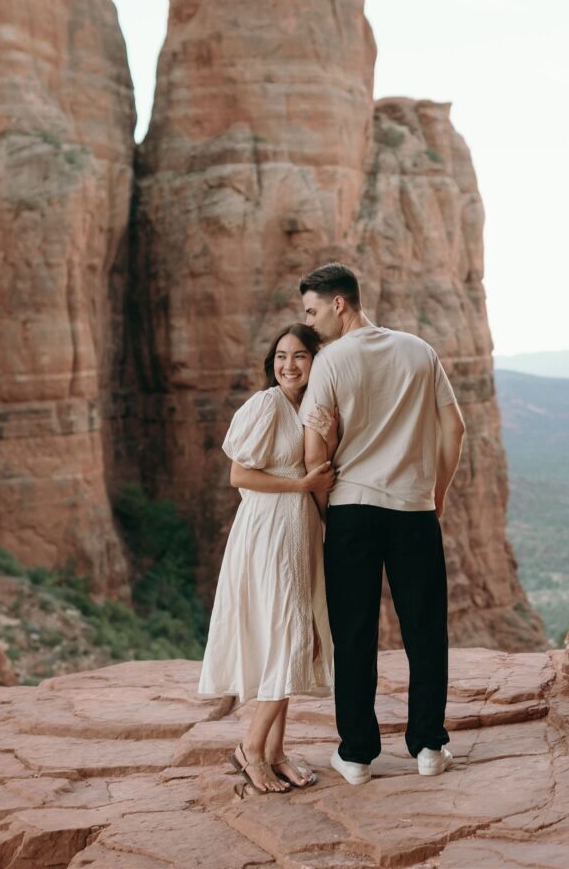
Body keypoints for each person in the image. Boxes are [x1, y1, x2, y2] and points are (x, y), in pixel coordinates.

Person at [299, 263, 466, 786]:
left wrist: (329, 510)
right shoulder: (419, 350)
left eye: (312, 310)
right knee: (425, 630)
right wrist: (435, 492)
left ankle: (356, 755)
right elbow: (454, 427)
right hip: (414, 510)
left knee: (353, 632)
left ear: (339, 304)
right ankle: (429, 748)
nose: (309, 320)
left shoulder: (330, 363)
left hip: (352, 511)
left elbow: (315, 454)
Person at [198, 323, 338, 794]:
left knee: (292, 637)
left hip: (298, 533)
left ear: (317, 361)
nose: (288, 365)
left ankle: (277, 752)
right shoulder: (265, 405)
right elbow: (239, 473)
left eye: (300, 356)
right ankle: (251, 750)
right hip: (268, 532)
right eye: (281, 356)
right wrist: (301, 486)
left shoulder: (308, 409)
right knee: (288, 637)